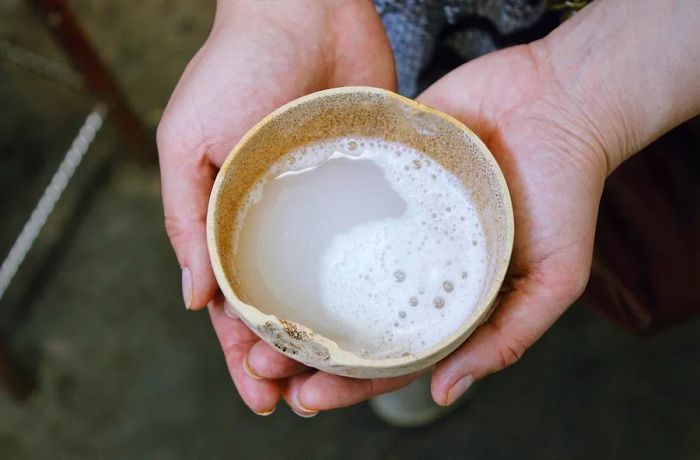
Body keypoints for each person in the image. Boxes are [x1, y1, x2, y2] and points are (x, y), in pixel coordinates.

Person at [156, 0, 700, 422]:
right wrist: (277, 12)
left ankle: (426, 348)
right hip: (365, 30)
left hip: (626, 43)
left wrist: (588, 99)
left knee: (523, 248)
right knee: (398, 330)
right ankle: (410, 357)